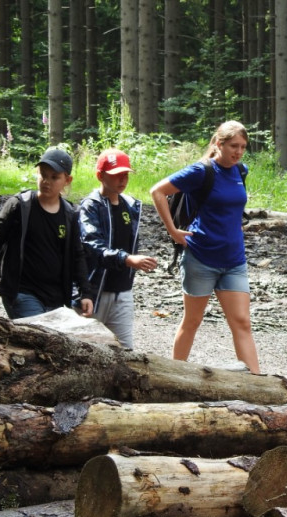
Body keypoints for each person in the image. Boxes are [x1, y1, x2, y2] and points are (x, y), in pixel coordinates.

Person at [149, 121, 260, 374]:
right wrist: (173, 231)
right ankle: (175, 376)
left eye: (243, 147)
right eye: (234, 146)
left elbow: (232, 209)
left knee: (242, 323)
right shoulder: (201, 171)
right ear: (219, 144)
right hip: (201, 258)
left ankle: (259, 383)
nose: (239, 152)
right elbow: (157, 191)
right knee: (192, 321)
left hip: (234, 260)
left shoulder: (240, 171)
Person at [0, 147, 94, 319]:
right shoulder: (19, 206)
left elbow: (77, 255)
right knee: (38, 332)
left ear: (67, 180)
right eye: (43, 174)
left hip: (55, 296)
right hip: (22, 292)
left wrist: (86, 293)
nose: (46, 181)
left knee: (51, 336)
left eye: (54, 177)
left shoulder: (69, 214)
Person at [78, 149, 158, 348]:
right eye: (116, 175)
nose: (122, 180)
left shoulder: (130, 206)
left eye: (125, 175)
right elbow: (92, 246)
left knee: (126, 352)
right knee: (86, 352)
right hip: (94, 292)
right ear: (100, 176)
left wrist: (135, 261)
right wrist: (127, 259)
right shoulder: (91, 206)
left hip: (123, 292)